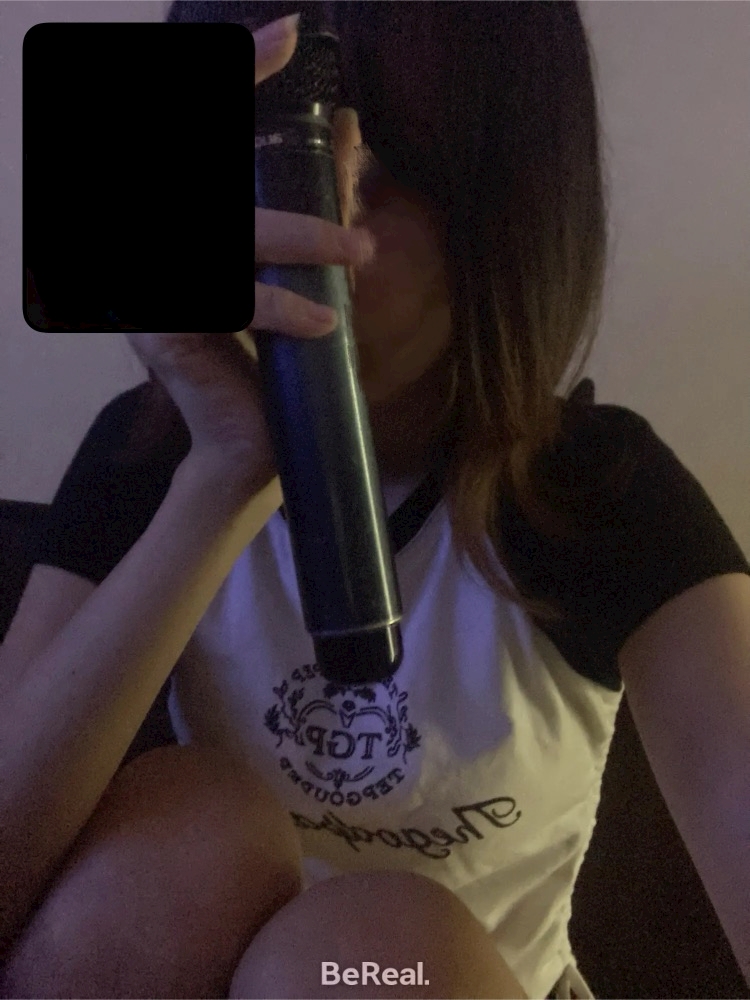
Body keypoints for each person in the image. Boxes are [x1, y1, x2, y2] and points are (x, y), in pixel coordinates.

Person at [1, 3, 748, 999]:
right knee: (187, 836)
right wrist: (226, 471)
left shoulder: (599, 497)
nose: (315, 229)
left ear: (506, 201)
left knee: (364, 949)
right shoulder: (150, 460)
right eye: (260, 160)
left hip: (438, 977)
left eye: (386, 167)